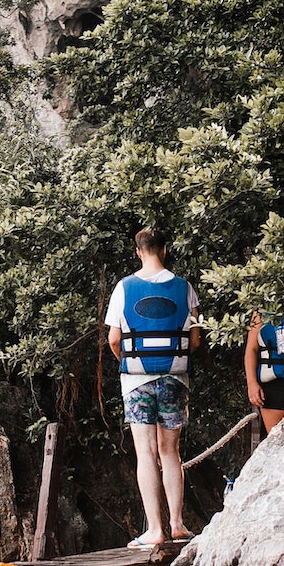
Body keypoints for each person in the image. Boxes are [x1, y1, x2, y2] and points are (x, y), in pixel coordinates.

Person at [106, 228, 200, 548]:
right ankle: (177, 523)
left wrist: (129, 363)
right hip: (175, 378)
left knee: (145, 452)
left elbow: (114, 340)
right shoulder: (185, 288)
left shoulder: (123, 287)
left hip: (136, 380)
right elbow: (196, 339)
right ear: (165, 249)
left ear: (137, 252)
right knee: (170, 452)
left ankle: (155, 529)